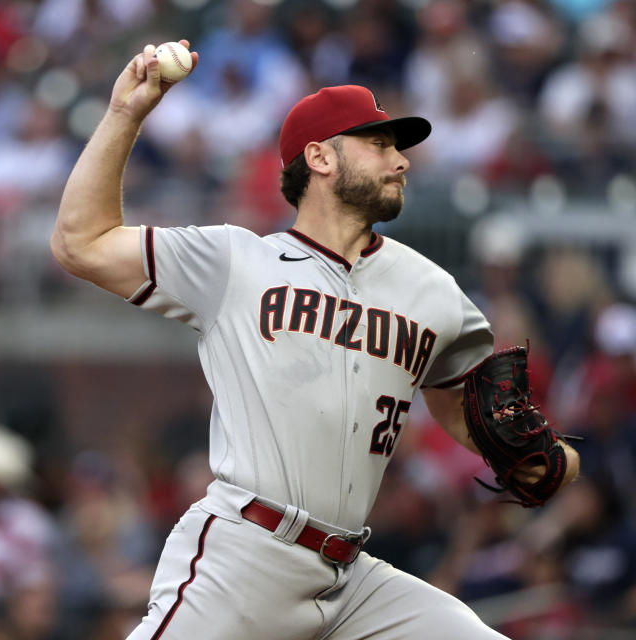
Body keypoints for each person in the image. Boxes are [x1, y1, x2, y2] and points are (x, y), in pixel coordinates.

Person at [51, 41, 578, 640]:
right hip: (247, 558)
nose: (400, 160)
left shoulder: (432, 290)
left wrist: (534, 454)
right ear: (320, 158)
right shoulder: (235, 261)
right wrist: (126, 114)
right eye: (379, 144)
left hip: (351, 579)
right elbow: (80, 243)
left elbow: (468, 411)